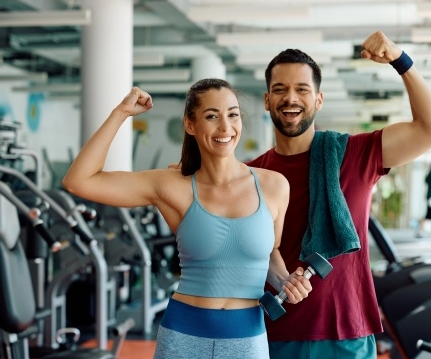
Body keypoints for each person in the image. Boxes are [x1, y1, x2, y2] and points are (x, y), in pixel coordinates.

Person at [62, 79, 313, 359]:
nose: (225, 127)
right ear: (190, 125)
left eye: (232, 114)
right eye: (211, 116)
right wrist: (120, 113)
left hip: (247, 339)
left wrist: (286, 282)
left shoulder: (274, 186)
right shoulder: (171, 185)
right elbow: (79, 181)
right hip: (183, 336)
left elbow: (270, 253)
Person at [246, 30, 431, 358]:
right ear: (267, 100)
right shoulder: (250, 174)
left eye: (302, 89)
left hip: (346, 333)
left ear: (318, 99)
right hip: (273, 331)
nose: (291, 99)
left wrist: (401, 60)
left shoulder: (354, 154)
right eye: (280, 90)